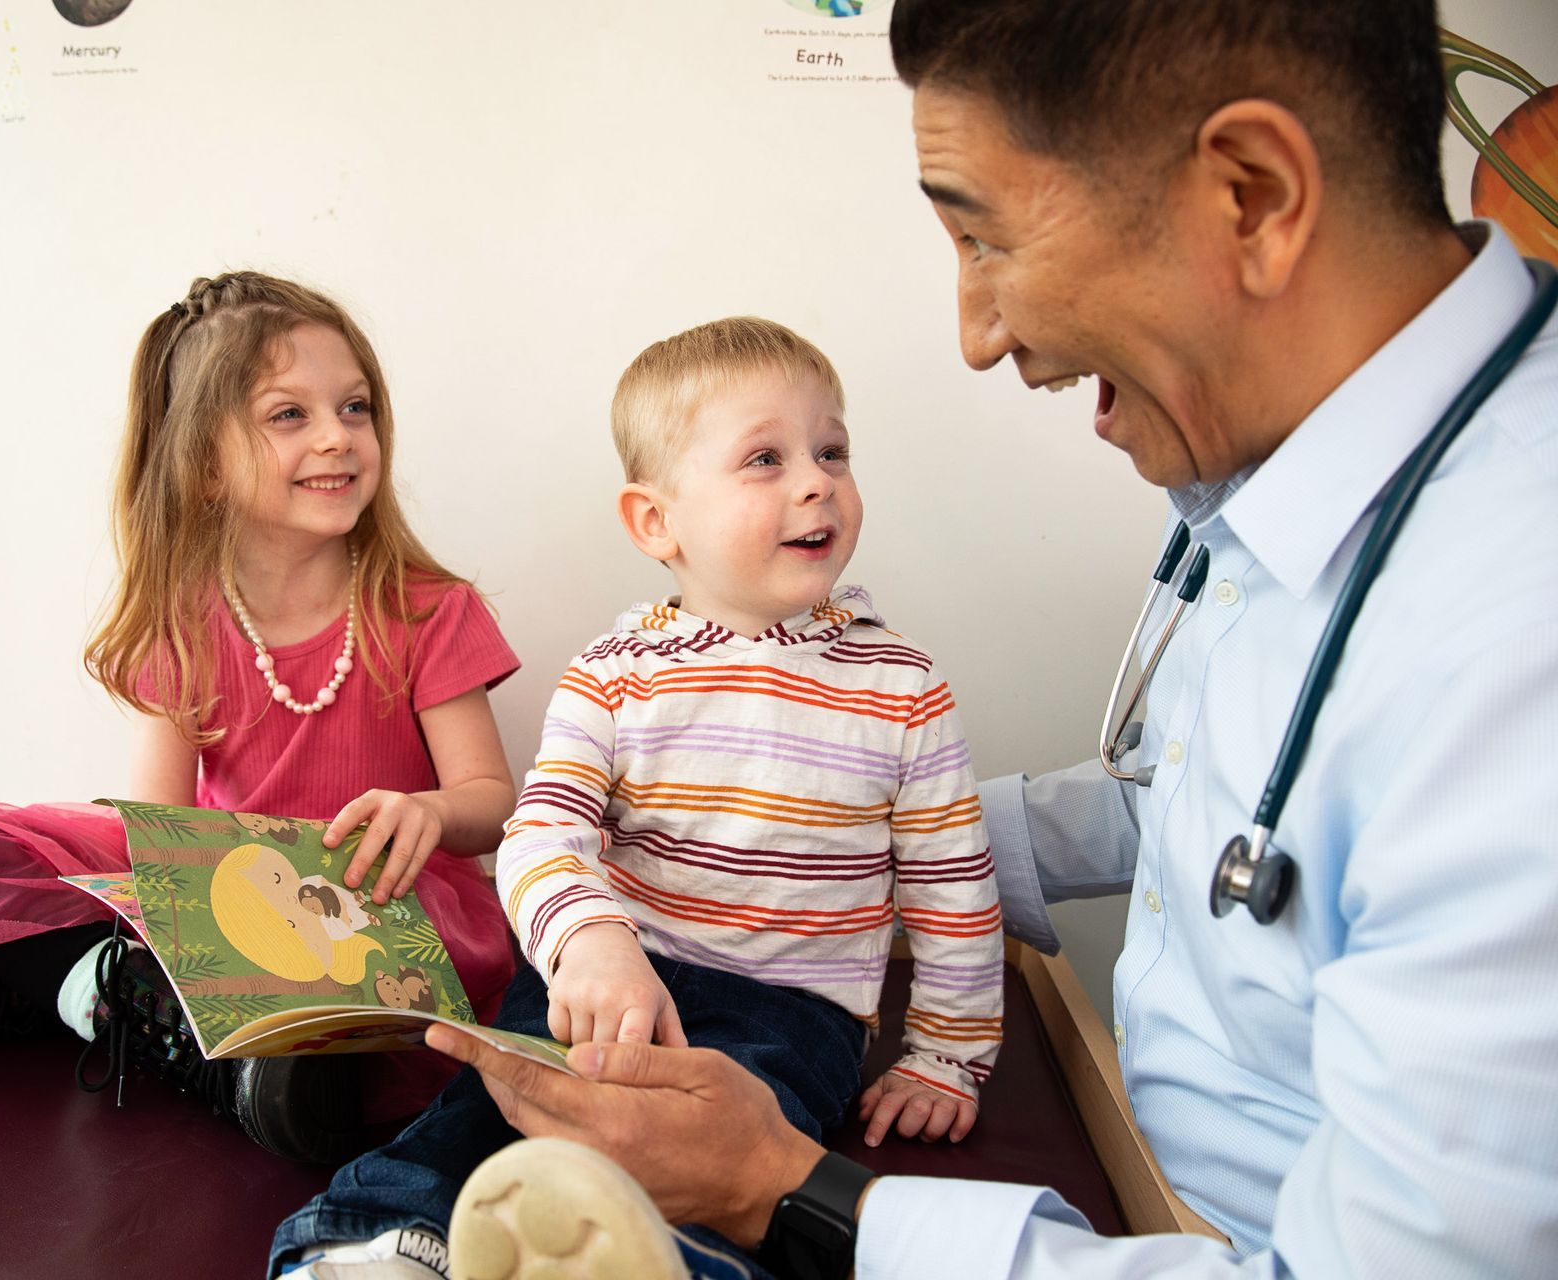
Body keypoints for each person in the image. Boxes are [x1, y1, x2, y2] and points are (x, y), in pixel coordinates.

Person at [423, 0, 1558, 1276]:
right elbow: (1228, 804)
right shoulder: (1288, 487)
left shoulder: (1518, 632)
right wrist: (881, 830)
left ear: (1249, 195)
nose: (977, 334)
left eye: (986, 235)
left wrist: (805, 1195)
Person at [269, 317, 1002, 1278]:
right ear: (657, 522)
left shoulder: (901, 688)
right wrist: (590, 942)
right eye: (766, 459)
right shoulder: (612, 676)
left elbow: (953, 886)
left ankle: (658, 1262)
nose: (817, 481)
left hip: (788, 1013)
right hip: (605, 986)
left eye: (832, 451)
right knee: (489, 1108)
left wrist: (947, 1055)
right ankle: (377, 1247)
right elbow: (539, 834)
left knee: (718, 1158)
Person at [0, 271, 521, 1164]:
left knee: (404, 997)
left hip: (370, 904)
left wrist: (427, 811)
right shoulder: (189, 617)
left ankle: (65, 1001)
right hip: (229, 892)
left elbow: (491, 799)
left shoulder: (429, 609)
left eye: (355, 407)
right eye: (288, 415)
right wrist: (117, 893)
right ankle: (120, 1006)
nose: (339, 437)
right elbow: (159, 834)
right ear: (204, 463)